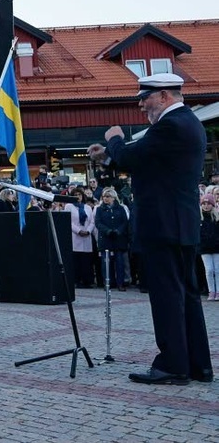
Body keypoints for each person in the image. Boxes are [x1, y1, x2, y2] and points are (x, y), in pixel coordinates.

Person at [87, 72, 212, 385]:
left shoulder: (170, 125)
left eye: (146, 98)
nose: (141, 104)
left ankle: (172, 365)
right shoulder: (188, 124)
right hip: (180, 225)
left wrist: (114, 139)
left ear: (165, 96)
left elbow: (130, 156)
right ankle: (198, 365)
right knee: (187, 295)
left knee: (168, 296)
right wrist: (107, 159)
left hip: (162, 225)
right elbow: (143, 161)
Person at [94, 188, 130, 291]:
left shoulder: (121, 208)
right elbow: (98, 222)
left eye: (108, 196)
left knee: (119, 262)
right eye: (104, 196)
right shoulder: (100, 209)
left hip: (118, 238)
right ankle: (108, 283)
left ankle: (120, 283)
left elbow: (125, 222)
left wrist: (119, 230)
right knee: (106, 262)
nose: (105, 199)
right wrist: (107, 231)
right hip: (106, 238)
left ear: (113, 198)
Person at [199, 194, 219, 301]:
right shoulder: (199, 218)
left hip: (216, 248)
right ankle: (211, 290)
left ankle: (218, 291)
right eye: (204, 204)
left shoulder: (216, 218)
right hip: (205, 248)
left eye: (208, 204)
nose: (206, 206)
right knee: (209, 270)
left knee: (217, 270)